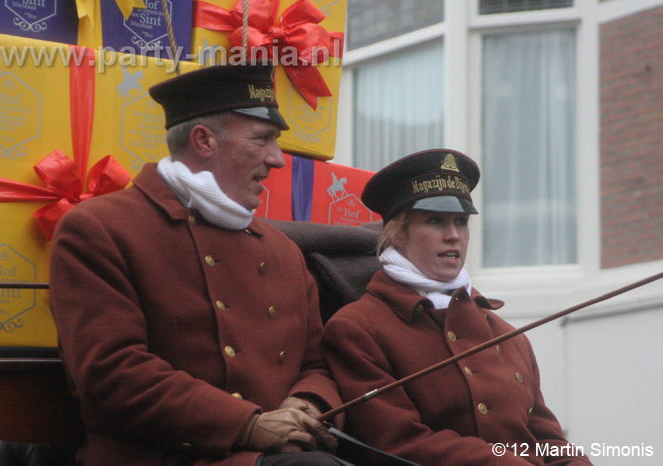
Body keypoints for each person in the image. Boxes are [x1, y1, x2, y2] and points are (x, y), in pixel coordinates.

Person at [49, 64, 348, 466]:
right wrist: (246, 425)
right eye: (262, 140)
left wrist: (306, 406)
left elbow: (317, 364)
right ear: (203, 140)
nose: (277, 159)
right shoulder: (99, 228)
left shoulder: (281, 249)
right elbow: (111, 373)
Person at [322, 149, 592, 465]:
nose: (453, 236)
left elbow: (547, 441)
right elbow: (399, 442)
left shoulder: (508, 337)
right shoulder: (357, 329)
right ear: (396, 232)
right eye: (435, 221)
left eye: (461, 222)